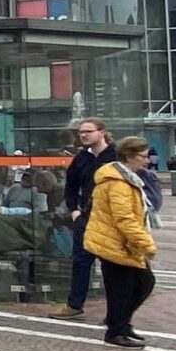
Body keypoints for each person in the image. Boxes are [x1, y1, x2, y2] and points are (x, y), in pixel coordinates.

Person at [83, 136, 159, 348]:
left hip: (119, 243)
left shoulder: (126, 178)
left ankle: (121, 324)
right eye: (142, 157)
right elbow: (125, 219)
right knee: (126, 287)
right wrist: (146, 244)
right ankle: (115, 330)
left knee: (139, 283)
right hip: (115, 243)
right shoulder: (118, 183)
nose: (146, 161)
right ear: (129, 156)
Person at [51, 119, 112, 320]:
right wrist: (74, 211)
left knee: (111, 266)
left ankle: (115, 311)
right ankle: (74, 304)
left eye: (88, 131)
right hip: (86, 218)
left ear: (101, 132)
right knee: (80, 262)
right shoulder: (81, 158)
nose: (84, 135)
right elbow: (70, 187)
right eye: (81, 132)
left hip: (110, 219)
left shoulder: (114, 155)